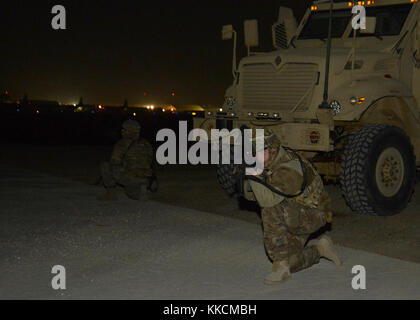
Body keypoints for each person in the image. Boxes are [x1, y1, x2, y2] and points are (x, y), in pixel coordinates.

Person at [241, 130, 342, 285]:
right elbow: (252, 195)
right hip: (295, 212)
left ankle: (280, 267)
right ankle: (322, 248)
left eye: (257, 153)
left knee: (271, 210)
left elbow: (267, 201)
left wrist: (252, 174)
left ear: (272, 150)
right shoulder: (270, 161)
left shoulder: (290, 169)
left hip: (314, 214)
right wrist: (244, 178)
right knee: (293, 262)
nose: (253, 157)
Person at [98, 119, 153, 201]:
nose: (122, 131)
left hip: (130, 177)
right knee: (132, 194)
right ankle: (141, 188)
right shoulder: (146, 143)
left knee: (105, 165)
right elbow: (150, 161)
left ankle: (111, 194)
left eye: (124, 129)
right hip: (146, 177)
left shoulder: (122, 144)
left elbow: (114, 161)